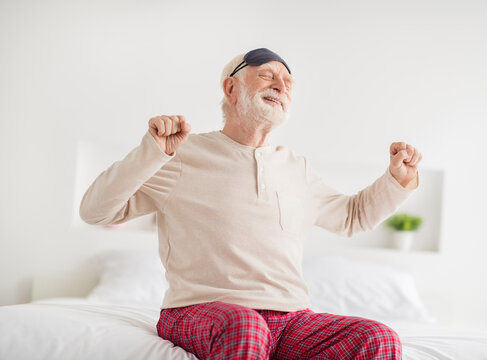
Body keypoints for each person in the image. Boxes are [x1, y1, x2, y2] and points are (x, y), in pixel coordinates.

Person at [80, 48, 422, 360]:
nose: (281, 86)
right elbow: (95, 211)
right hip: (199, 309)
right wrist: (151, 152)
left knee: (378, 338)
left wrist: (397, 180)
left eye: (288, 82)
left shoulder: (296, 168)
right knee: (246, 327)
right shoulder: (180, 155)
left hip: (292, 319)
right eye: (268, 75)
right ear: (231, 89)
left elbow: (353, 217)